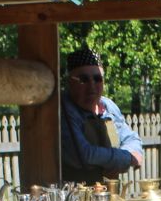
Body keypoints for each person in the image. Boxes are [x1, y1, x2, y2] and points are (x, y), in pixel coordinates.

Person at [60, 48, 145, 183]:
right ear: (70, 82)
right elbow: (84, 155)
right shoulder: (64, 110)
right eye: (84, 79)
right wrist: (125, 159)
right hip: (75, 198)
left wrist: (114, 160)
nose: (92, 86)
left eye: (97, 78)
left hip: (110, 196)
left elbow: (133, 139)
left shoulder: (108, 106)